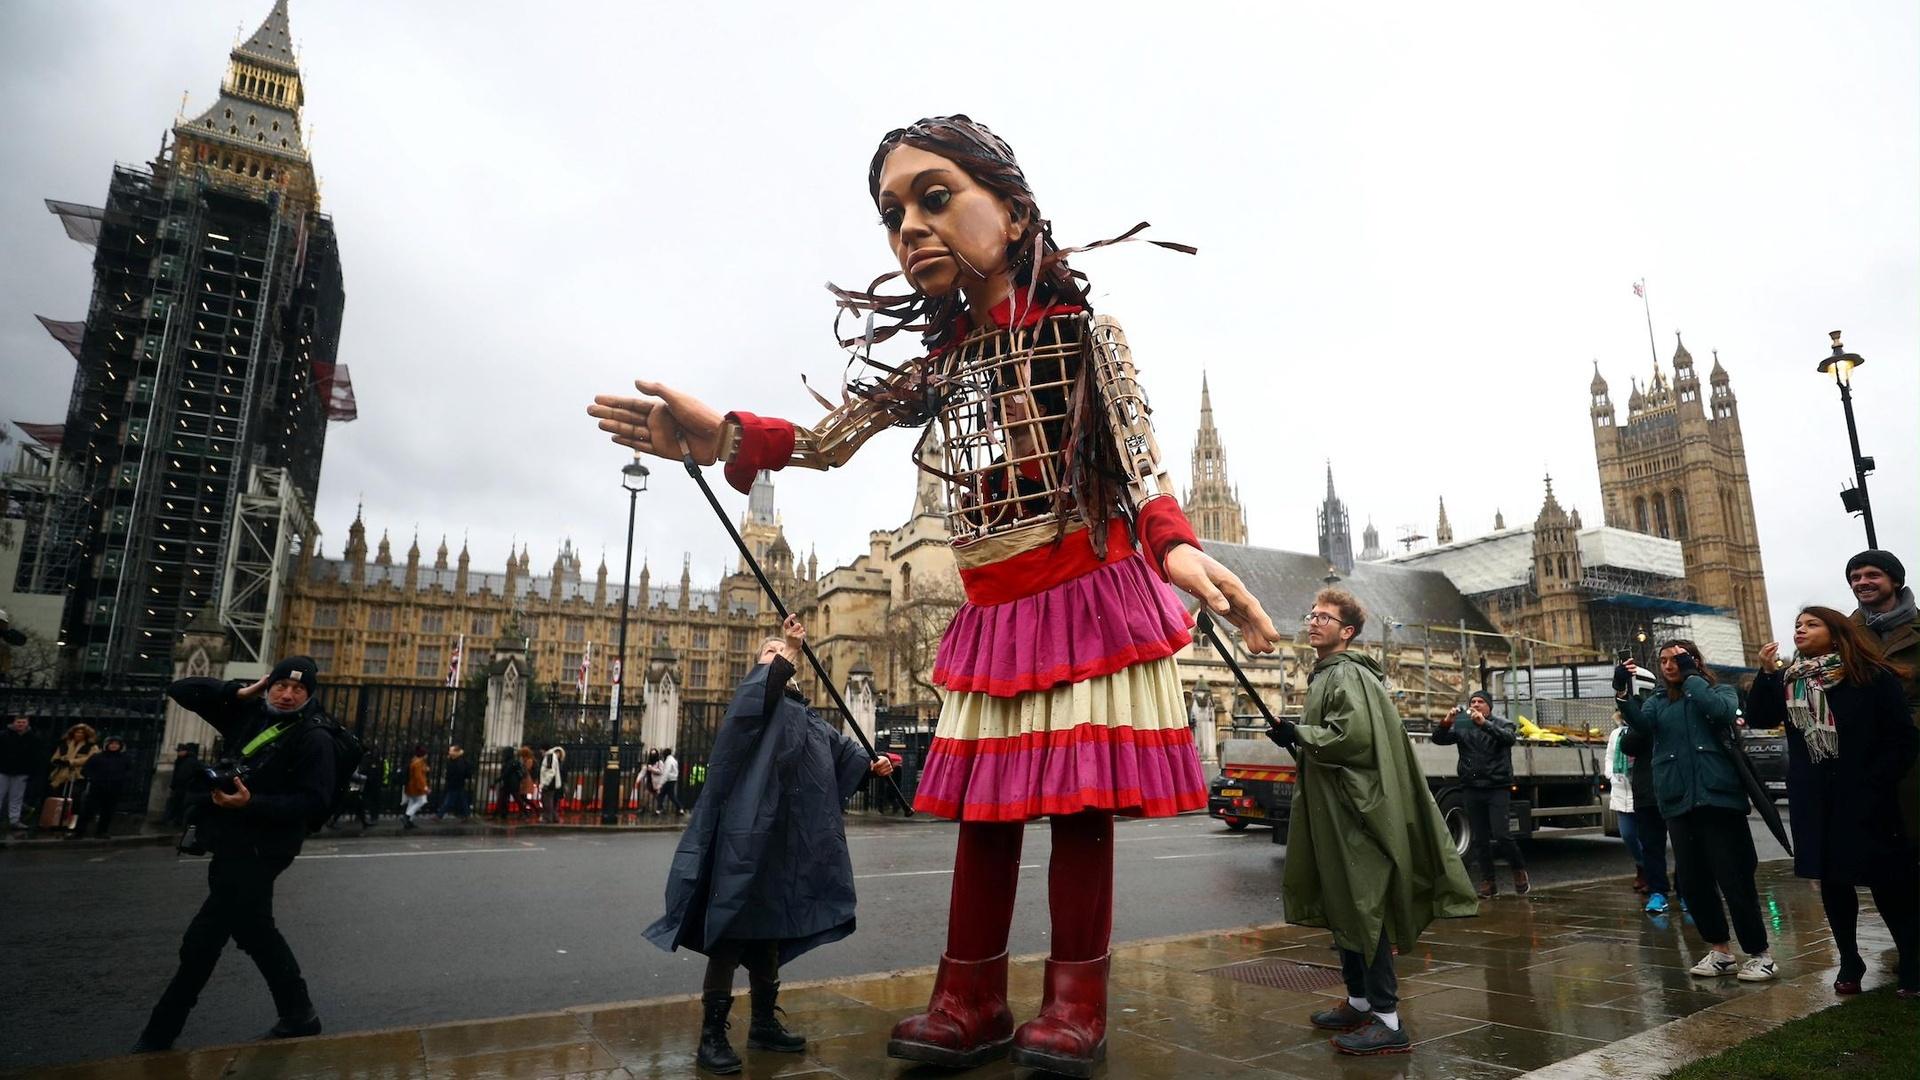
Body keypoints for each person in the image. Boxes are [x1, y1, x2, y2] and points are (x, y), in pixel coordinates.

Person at [592, 115, 1278, 1077]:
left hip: (1080, 588)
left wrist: (1177, 551)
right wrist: (721, 437)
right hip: (993, 608)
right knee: (988, 813)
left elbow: (1136, 458)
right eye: (891, 212)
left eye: (935, 196)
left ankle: (1077, 999)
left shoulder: (1082, 331)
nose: (909, 225)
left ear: (1013, 207)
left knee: (1078, 810)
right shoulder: (945, 361)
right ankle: (971, 995)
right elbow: (832, 439)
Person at [647, 616, 896, 1074]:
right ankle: (712, 1034)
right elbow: (761, 693)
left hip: (784, 846)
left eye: (782, 655)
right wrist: (790, 652)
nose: (777, 657)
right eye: (770, 652)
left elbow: (842, 753)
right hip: (744, 838)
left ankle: (763, 1023)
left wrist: (870, 765)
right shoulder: (750, 701)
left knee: (769, 933)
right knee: (729, 929)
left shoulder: (806, 716)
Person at [1269, 588, 1477, 1055]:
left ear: (1347, 632)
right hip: (1336, 806)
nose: (1313, 621)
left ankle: (1387, 1018)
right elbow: (1332, 738)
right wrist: (1297, 738)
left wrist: (1299, 733)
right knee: (1345, 902)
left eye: (1325, 617)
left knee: (1365, 905)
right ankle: (1360, 1001)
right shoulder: (1326, 674)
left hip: (1355, 810)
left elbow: (1353, 737)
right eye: (1312, 613)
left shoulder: (1345, 673)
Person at [134, 656, 336, 1052]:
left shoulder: (314, 738)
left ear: (310, 695)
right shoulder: (248, 717)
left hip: (265, 849)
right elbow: (182, 691)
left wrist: (251, 803)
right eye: (281, 685)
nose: (289, 693)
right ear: (269, 685)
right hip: (231, 842)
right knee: (254, 931)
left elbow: (314, 803)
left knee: (202, 942)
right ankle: (299, 1015)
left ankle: (159, 1034)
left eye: (299, 689)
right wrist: (240, 691)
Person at [1748, 607, 1918, 996]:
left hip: (1865, 793)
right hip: (1815, 795)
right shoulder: (1791, 680)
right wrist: (1767, 672)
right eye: (1797, 625)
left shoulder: (1870, 676)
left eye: (1811, 624)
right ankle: (1849, 959)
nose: (1800, 630)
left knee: (1886, 882)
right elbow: (1759, 715)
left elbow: (1902, 739)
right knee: (1833, 881)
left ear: (1837, 633)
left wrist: (1875, 781)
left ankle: (1911, 957)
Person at [1618, 640, 1775, 981]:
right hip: (1678, 800)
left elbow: (1719, 713)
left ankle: (1760, 953)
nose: (1669, 666)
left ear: (1695, 661)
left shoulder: (1722, 692)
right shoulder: (1658, 702)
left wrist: (1693, 677)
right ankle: (1719, 950)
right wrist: (1622, 695)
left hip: (1718, 798)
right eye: (1663, 661)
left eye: (1677, 659)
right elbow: (1640, 731)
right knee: (1693, 881)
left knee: (1734, 879)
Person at [1846, 550, 1920, 838]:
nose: (1862, 582)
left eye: (1872, 575)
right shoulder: (1840, 635)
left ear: (1896, 581)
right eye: (1855, 577)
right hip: (1866, 757)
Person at [1432, 690, 1528, 898]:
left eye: (1480, 702)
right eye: (1473, 701)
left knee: (1502, 835)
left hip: (1497, 787)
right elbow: (1438, 739)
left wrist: (1484, 723)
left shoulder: (1503, 723)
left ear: (1489, 706)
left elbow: (1509, 739)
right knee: (1480, 838)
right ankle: (1488, 881)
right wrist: (1447, 721)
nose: (1476, 705)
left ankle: (1518, 870)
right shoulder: (1463, 726)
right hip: (1471, 786)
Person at [1604, 720, 1645, 892]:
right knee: (1627, 834)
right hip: (1621, 791)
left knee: (1646, 837)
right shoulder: (1616, 734)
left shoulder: (1644, 731)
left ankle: (1649, 874)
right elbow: (1609, 757)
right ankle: (1642, 865)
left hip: (1642, 793)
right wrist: (1611, 775)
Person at [75, 734, 134, 838]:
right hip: (97, 787)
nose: (114, 746)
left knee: (107, 811)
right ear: (107, 745)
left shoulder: (125, 758)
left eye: (116, 744)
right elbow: (86, 770)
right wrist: (94, 777)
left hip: (114, 788)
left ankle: (102, 832)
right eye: (111, 744)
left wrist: (121, 779)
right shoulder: (97, 757)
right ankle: (79, 832)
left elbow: (129, 772)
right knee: (88, 810)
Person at [48, 722, 99, 830]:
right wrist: (59, 761)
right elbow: (55, 757)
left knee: (75, 799)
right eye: (77, 732)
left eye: (81, 733)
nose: (79, 734)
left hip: (78, 775)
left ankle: (72, 823)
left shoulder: (91, 746)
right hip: (61, 775)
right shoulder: (64, 744)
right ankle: (56, 821)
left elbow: (91, 758)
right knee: (58, 797)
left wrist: (72, 762)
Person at [0, 715, 40, 831]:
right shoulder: (3, 735)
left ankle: (14, 820)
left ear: (27, 724)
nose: (21, 724)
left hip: (21, 771)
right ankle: (14, 820)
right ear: (14, 723)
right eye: (19, 722)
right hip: (4, 769)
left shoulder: (32, 738)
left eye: (23, 722)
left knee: (16, 797)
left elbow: (36, 757)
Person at [165, 744, 203, 827]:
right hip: (179, 787)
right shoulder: (180, 761)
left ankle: (178, 821)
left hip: (185, 787)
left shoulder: (190, 761)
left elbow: (185, 775)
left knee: (180, 805)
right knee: (176, 804)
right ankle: (175, 820)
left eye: (180, 751)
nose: (178, 753)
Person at [437, 745, 473, 821]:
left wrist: (451, 780)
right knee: (463, 800)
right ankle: (467, 815)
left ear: (456, 752)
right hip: (457, 784)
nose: (449, 752)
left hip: (455, 784)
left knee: (449, 801)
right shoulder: (454, 759)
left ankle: (439, 815)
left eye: (451, 750)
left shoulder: (460, 761)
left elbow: (459, 773)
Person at [402, 745, 429, 830]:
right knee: (422, 801)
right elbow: (419, 777)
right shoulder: (418, 764)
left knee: (412, 802)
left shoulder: (416, 762)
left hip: (412, 786)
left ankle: (409, 821)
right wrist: (424, 787)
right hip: (416, 787)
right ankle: (407, 816)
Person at [493, 747, 525, 819]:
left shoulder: (510, 762)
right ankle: (501, 814)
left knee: (508, 798)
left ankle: (524, 812)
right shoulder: (511, 761)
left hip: (511, 783)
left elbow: (506, 773)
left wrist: (497, 780)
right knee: (503, 799)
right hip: (510, 783)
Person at [539, 744, 566, 823]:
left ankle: (548, 818)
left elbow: (550, 771)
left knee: (547, 801)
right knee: (549, 800)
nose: (541, 752)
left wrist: (545, 783)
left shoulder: (549, 756)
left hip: (550, 783)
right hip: (552, 783)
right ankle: (554, 817)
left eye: (541, 751)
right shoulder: (552, 756)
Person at [657, 746, 681, 816]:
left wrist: (661, 783)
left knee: (662, 794)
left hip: (669, 780)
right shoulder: (674, 760)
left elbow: (666, 772)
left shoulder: (668, 761)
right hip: (673, 779)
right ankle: (679, 808)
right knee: (669, 795)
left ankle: (659, 810)